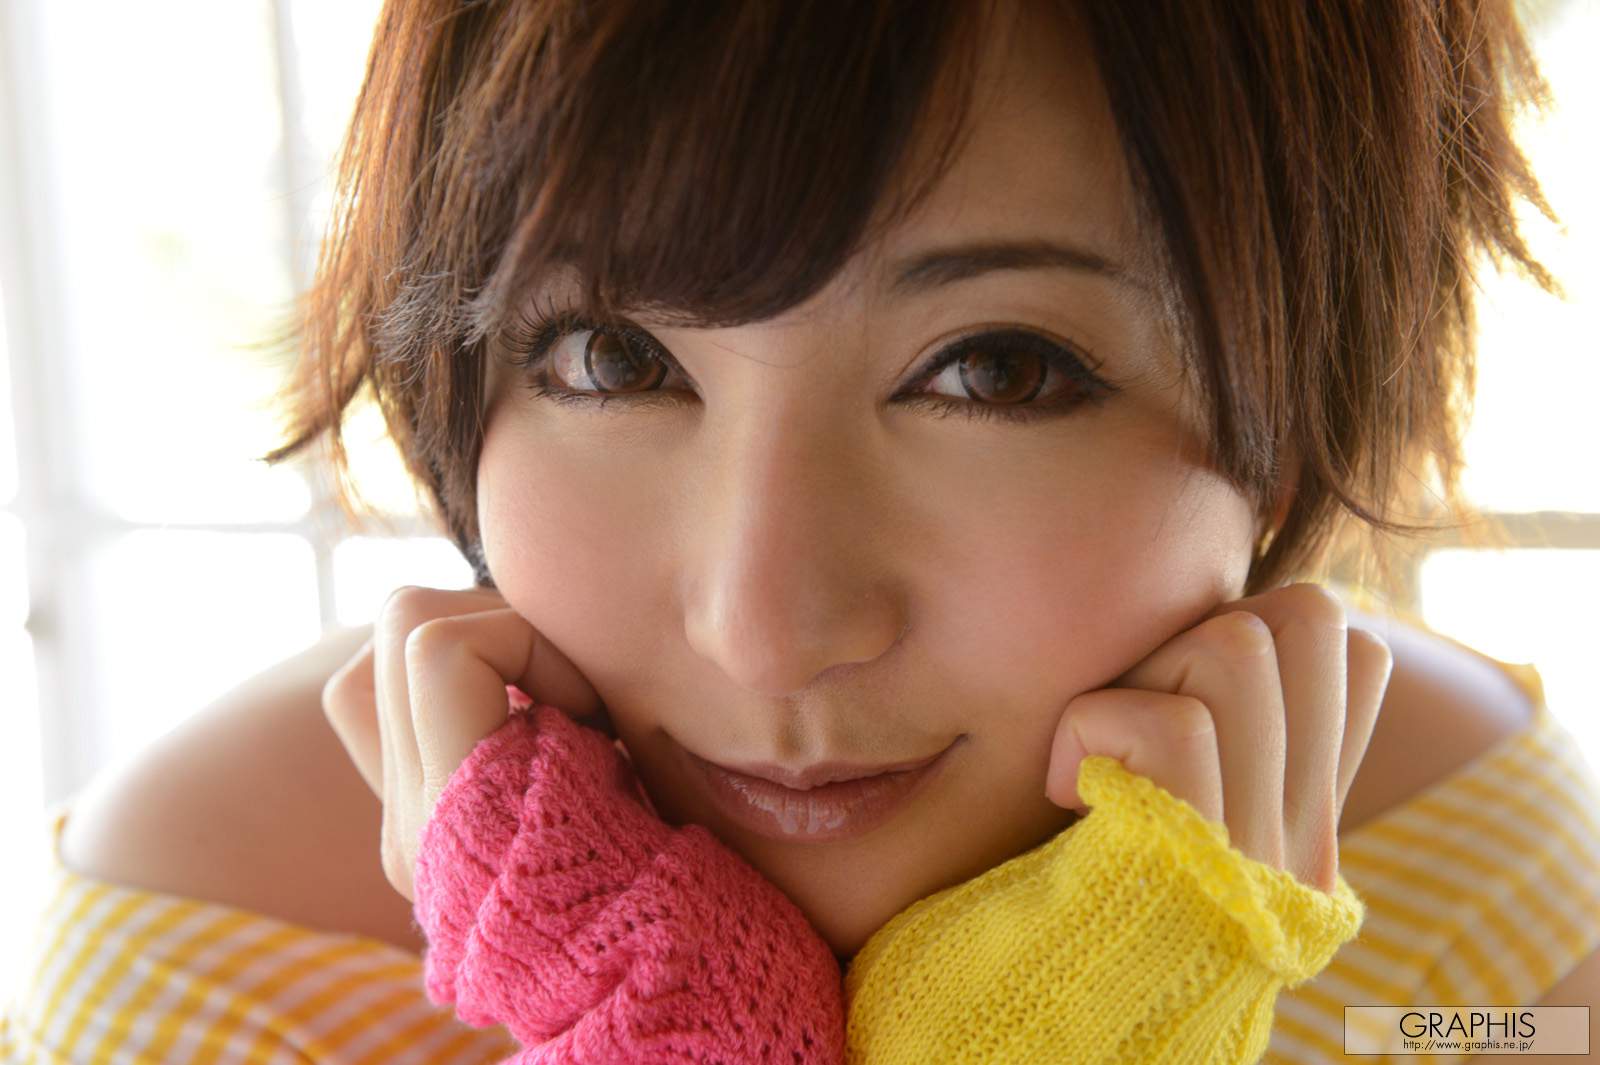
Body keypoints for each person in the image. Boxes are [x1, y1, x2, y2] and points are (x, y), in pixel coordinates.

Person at [4, 0, 1597, 1062]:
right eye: (614, 360)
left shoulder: (1475, 949)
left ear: (1300, 410)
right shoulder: (212, 964)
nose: (764, 626)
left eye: (996, 370)